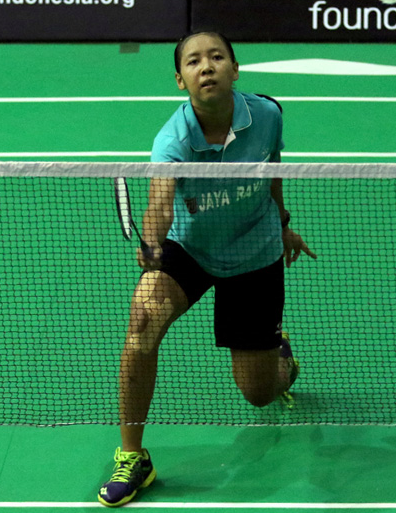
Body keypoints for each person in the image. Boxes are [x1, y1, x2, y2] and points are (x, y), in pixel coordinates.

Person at [98, 31, 317, 508]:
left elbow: (272, 168)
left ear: (234, 69)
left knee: (259, 394)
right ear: (181, 80)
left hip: (254, 253)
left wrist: (283, 223)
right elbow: (160, 203)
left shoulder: (267, 115)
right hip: (190, 249)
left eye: (217, 57)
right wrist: (152, 243)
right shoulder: (172, 141)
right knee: (142, 321)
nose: (207, 66)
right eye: (194, 61)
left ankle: (282, 360)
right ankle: (133, 456)